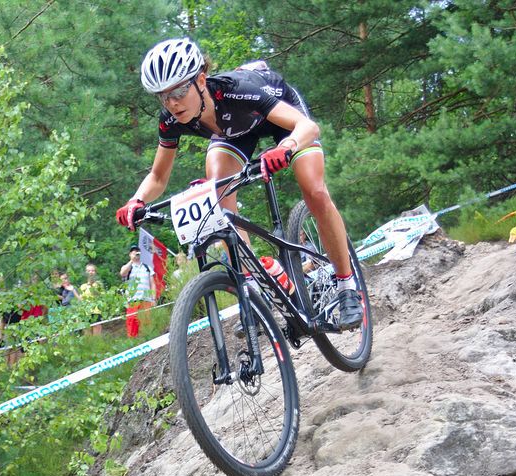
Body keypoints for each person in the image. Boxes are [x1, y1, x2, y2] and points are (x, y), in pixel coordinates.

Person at [115, 38, 363, 329]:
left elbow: (308, 126)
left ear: (201, 80)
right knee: (216, 192)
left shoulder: (238, 90)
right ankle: (255, 287)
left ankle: (347, 285)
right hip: (235, 133)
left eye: (179, 91)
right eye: (163, 96)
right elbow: (158, 177)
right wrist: (136, 200)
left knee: (314, 190)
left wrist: (287, 146)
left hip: (284, 119)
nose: (172, 103)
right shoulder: (170, 119)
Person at [120, 243, 155, 338]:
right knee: (132, 323)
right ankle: (133, 341)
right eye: (133, 252)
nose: (136, 253)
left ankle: (147, 340)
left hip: (146, 299)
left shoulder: (147, 267)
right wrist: (131, 260)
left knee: (146, 322)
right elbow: (122, 273)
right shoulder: (128, 267)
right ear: (130, 254)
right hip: (133, 300)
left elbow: (152, 283)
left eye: (137, 251)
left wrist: (153, 298)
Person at [79, 262, 104, 335]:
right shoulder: (83, 286)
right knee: (87, 335)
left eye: (92, 270)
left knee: (96, 335)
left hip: (96, 311)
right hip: (86, 312)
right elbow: (81, 299)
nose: (90, 272)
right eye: (89, 271)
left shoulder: (99, 284)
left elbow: (100, 296)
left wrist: (91, 285)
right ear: (86, 272)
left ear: (95, 272)